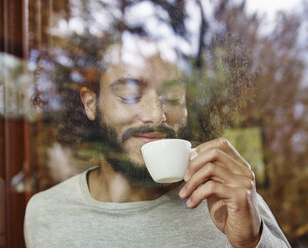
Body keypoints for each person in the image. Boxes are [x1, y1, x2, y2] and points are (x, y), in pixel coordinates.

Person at [24, 35, 290, 247]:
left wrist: (250, 242)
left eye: (173, 95)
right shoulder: (45, 213)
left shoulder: (231, 202)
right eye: (129, 93)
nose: (155, 115)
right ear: (91, 104)